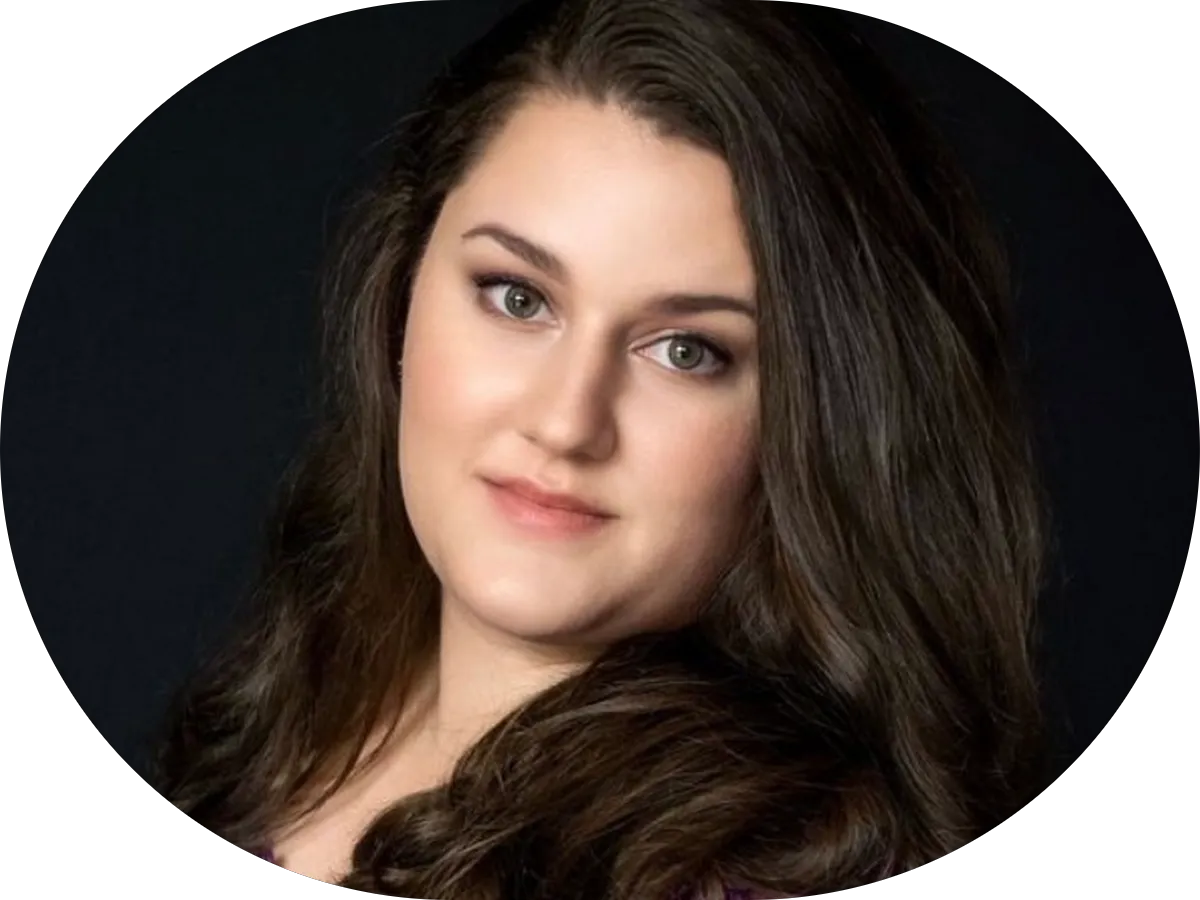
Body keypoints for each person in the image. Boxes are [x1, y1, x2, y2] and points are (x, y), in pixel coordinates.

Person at [148, 0, 1056, 896]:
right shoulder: (284, 728)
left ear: (814, 426)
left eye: (686, 351)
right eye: (517, 297)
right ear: (400, 293)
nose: (566, 422)